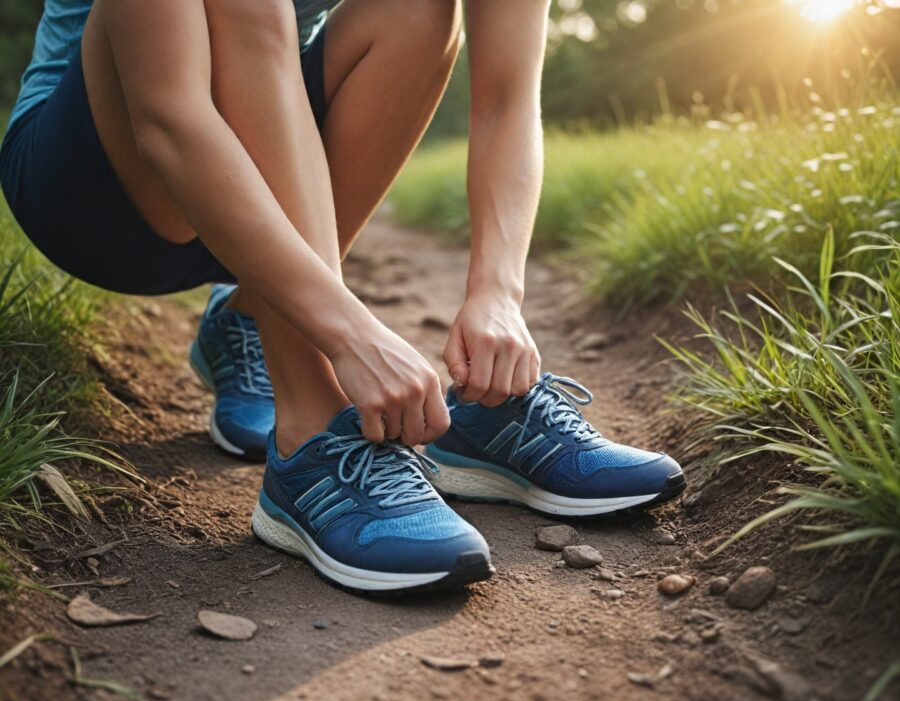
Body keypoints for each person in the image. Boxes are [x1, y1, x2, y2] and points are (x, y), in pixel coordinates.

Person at [0, 0, 685, 594]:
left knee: (418, 10)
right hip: (98, 185)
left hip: (249, 150)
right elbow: (168, 117)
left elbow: (508, 99)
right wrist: (348, 333)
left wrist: (497, 296)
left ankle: (465, 406)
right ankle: (310, 431)